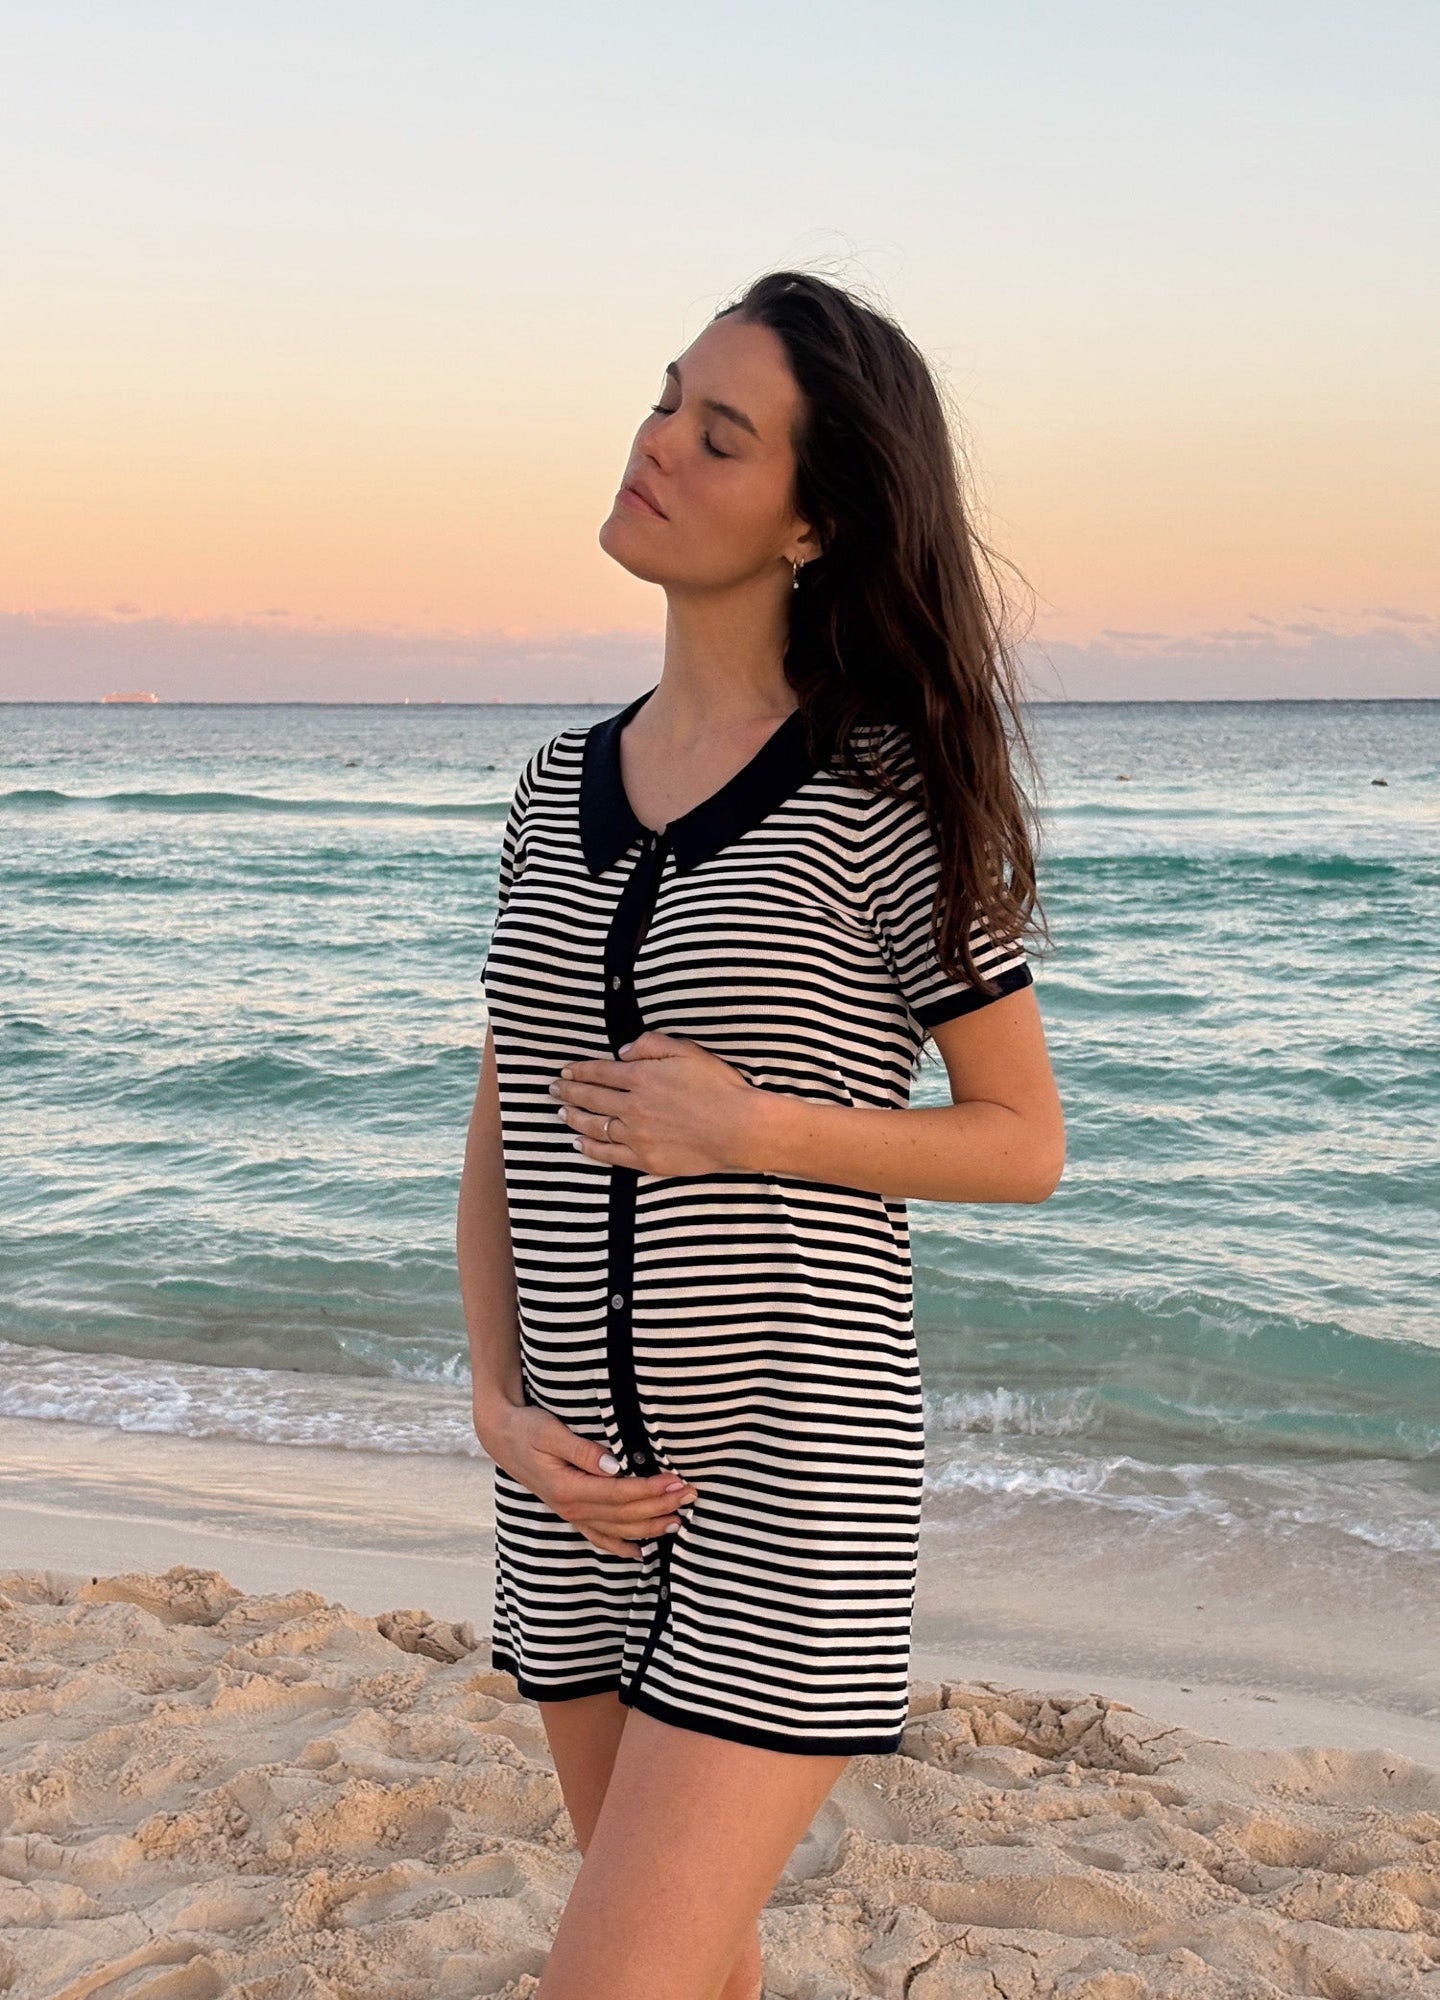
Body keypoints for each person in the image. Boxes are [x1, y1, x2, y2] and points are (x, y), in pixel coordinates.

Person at [456, 268, 1065, 2000]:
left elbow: (1023, 1139)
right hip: (568, 1496)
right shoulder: (547, 783)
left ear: (814, 522)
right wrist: (500, 1409)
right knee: (695, 1970)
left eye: (720, 435)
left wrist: (754, 1123)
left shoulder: (879, 794)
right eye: (666, 399)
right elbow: (500, 1146)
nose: (658, 443)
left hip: (793, 1488)